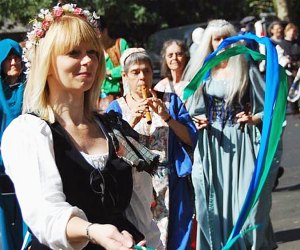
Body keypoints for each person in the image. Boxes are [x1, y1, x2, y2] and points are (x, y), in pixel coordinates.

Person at [1, 4, 156, 249]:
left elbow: (140, 212)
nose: (88, 61)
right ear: (48, 63)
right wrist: (91, 231)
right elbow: (45, 213)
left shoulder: (117, 130)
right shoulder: (28, 133)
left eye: (93, 52)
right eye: (74, 52)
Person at [184, 19, 278, 249]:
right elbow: (193, 110)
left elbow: (269, 106)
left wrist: (254, 118)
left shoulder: (245, 67)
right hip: (212, 146)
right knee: (214, 204)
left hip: (243, 143)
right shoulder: (204, 72)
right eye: (217, 39)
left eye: (227, 38)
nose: (222, 43)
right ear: (210, 42)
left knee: (248, 204)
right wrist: (198, 120)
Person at [107, 48, 197, 249]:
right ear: (124, 76)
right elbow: (111, 151)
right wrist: (130, 122)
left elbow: (191, 139)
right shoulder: (116, 109)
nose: (142, 78)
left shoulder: (170, 101)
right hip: (135, 186)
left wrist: (167, 117)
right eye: (135, 72)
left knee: (177, 237)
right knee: (144, 239)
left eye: (146, 71)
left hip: (170, 181)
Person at [0, 38, 26, 250]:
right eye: (8, 58)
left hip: (26, 160)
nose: (13, 62)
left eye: (16, 56)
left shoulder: (30, 88)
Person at [97, 16, 129, 112]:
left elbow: (129, 66)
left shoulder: (120, 44)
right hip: (98, 99)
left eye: (96, 33)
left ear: (105, 31)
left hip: (119, 95)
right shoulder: (94, 51)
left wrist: (110, 72)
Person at [277, 22, 300, 114]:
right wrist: (286, 61)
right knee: (291, 90)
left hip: (298, 70)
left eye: (294, 31)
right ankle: (292, 108)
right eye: (290, 31)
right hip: (288, 71)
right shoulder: (281, 44)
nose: (292, 33)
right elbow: (280, 58)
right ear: (286, 32)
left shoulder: (298, 43)